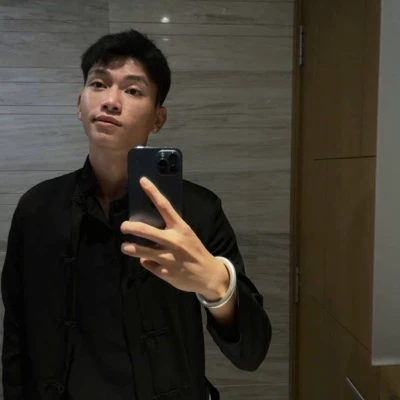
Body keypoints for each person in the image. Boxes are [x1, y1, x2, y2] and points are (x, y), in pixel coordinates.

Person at [1, 29, 272, 400]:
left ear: (158, 118)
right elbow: (16, 335)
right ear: (79, 104)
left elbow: (252, 352)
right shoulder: (37, 209)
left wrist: (215, 283)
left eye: (132, 90)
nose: (111, 101)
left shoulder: (197, 210)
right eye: (98, 84)